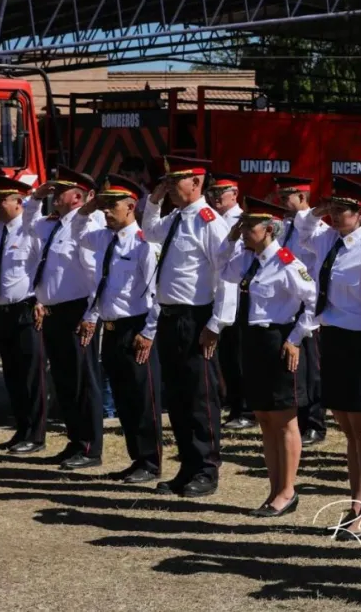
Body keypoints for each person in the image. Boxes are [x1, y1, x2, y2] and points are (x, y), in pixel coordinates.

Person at [295, 177, 361, 539]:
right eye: (333, 208)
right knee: (348, 430)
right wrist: (319, 209)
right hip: (335, 339)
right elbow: (302, 229)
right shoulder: (331, 240)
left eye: (342, 209)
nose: (334, 215)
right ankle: (356, 504)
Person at [144, 156, 236, 498]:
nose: (169, 186)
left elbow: (227, 274)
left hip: (196, 319)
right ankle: (187, 466)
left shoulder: (210, 222)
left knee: (200, 396)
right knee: (179, 397)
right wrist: (153, 200)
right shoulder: (175, 217)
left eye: (175, 181)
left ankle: (206, 469)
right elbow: (150, 232)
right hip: (170, 316)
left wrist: (216, 323)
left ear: (195, 183)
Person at [221, 196, 317, 517]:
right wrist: (231, 238)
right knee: (264, 419)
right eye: (244, 225)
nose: (245, 230)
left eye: (251, 226)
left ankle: (287, 491)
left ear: (270, 229)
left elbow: (314, 302)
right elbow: (221, 268)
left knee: (284, 420)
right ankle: (275, 488)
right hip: (253, 342)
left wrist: (295, 338)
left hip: (280, 342)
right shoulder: (248, 261)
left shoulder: (288, 262)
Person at [73, 175, 163, 484]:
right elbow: (78, 231)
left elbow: (156, 293)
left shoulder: (144, 244)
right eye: (105, 205)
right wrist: (89, 207)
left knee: (142, 398)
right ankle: (136, 458)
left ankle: (151, 462)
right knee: (124, 399)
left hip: (135, 328)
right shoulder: (104, 238)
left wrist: (149, 332)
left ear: (131, 206)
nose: (107, 212)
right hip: (110, 328)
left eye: (112, 206)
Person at [25, 167, 106, 469]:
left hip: (77, 311)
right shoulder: (54, 225)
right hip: (54, 312)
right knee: (64, 380)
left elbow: (96, 276)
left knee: (83, 382)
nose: (54, 196)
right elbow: (27, 226)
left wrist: (91, 315)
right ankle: (75, 441)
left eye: (60, 191)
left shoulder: (88, 227)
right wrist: (34, 199)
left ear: (76, 197)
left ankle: (89, 447)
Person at [0, 176, 46, 454]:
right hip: (3, 309)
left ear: (18, 202)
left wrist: (40, 300)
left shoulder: (31, 231)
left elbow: (42, 268)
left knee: (31, 375)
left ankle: (36, 436)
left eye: (2, 199)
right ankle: (21, 430)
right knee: (12, 374)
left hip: (27, 308)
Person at [274, 175, 326, 446]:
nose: (282, 202)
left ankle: (315, 423)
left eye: (287, 197)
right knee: (295, 368)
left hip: (308, 306)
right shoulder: (284, 227)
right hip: (286, 304)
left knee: (312, 370)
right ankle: (300, 419)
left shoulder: (316, 229)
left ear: (303, 197)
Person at [206, 173, 247, 431]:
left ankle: (244, 408)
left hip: (236, 291)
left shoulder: (242, 221)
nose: (216, 197)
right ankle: (233, 402)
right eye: (214, 193)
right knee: (227, 356)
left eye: (222, 192)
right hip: (217, 292)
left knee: (237, 354)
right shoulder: (214, 220)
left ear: (235, 194)